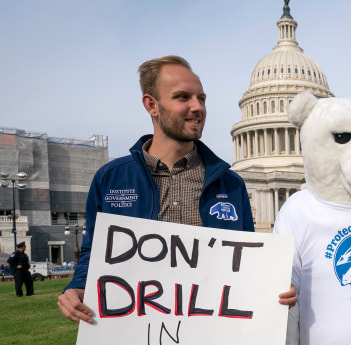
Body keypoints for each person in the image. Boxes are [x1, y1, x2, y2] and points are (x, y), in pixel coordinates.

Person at [58, 55, 296, 323]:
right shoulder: (111, 179)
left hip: (211, 331)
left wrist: (274, 289)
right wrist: (77, 286)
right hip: (136, 328)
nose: (198, 107)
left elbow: (247, 261)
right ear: (152, 105)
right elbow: (96, 250)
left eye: (201, 99)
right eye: (183, 97)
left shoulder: (230, 184)